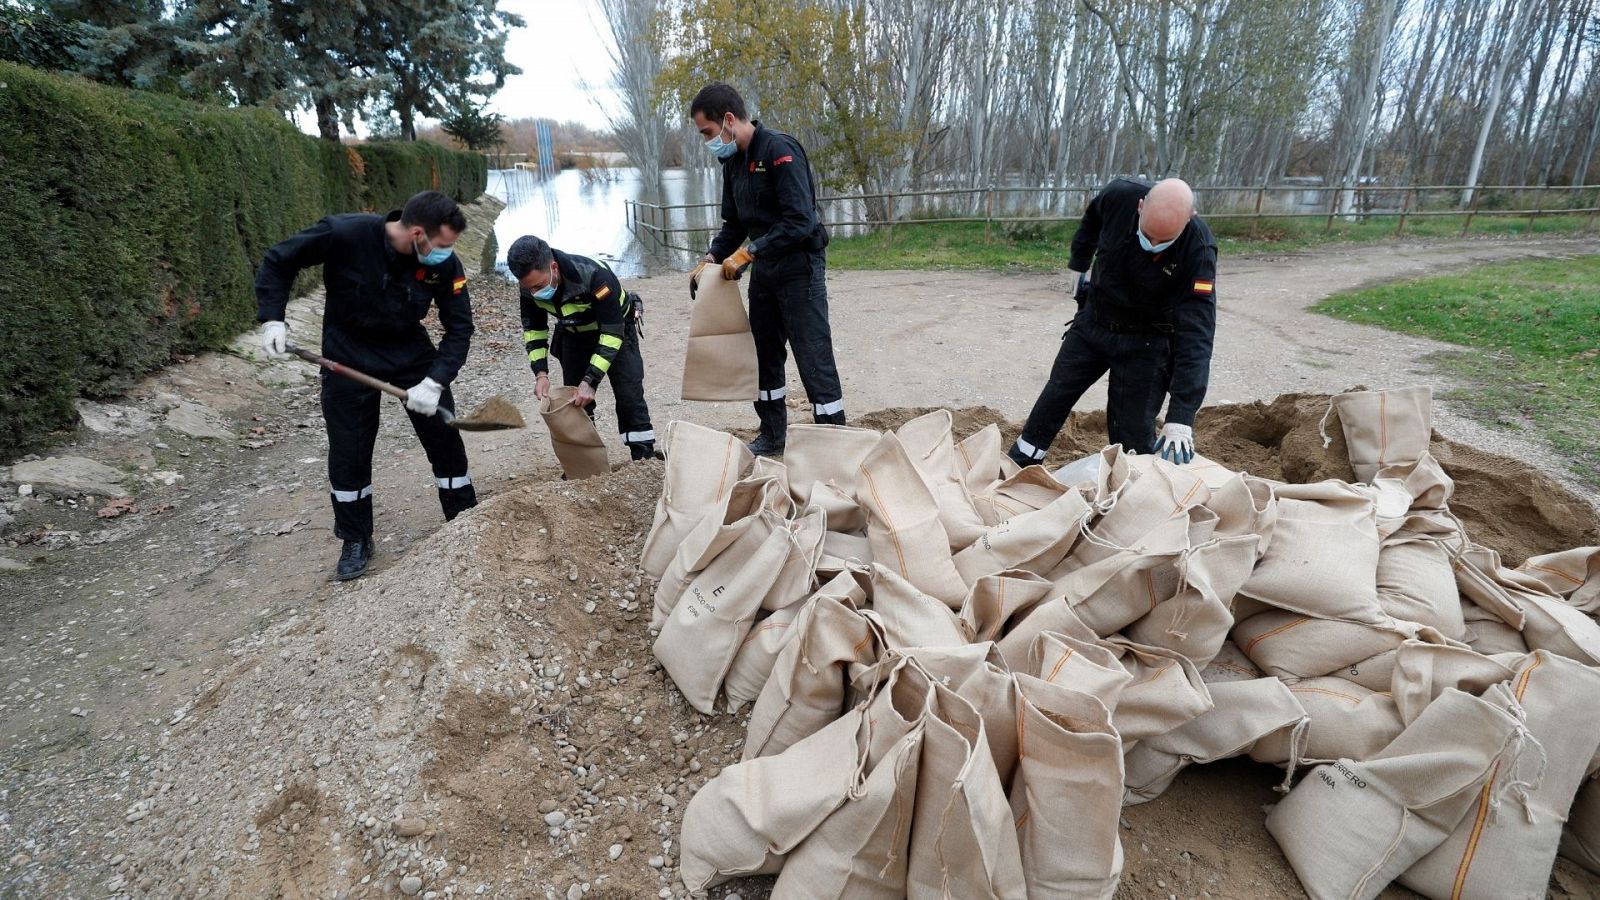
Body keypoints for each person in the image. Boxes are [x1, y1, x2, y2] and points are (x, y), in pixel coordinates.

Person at [256, 190, 478, 581]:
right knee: (350, 451)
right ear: (415, 234)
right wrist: (272, 317)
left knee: (444, 435)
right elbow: (279, 260)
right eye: (442, 244)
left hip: (409, 352)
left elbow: (459, 327)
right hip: (347, 353)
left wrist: (436, 380)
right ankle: (356, 538)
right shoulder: (345, 234)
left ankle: (464, 517)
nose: (447, 253)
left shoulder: (443, 264)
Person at [1007, 177, 1217, 469]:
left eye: (1164, 241)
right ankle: (1021, 461)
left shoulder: (1199, 249)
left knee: (1132, 438)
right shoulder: (1119, 197)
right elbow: (1092, 220)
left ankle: (1130, 493)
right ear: (1140, 206)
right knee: (1055, 397)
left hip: (1146, 342)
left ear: (1188, 220)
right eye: (1149, 235)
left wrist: (1182, 415)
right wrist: (1079, 263)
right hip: (1094, 324)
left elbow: (1197, 334)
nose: (1152, 246)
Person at [688, 82, 846, 457]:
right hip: (764, 272)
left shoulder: (779, 150)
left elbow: (800, 220)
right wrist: (712, 258)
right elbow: (734, 224)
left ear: (728, 120)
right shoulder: (733, 163)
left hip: (799, 269)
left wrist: (749, 253)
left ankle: (836, 441)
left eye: (708, 133)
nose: (708, 141)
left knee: (813, 356)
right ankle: (773, 434)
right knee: (764, 355)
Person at [506, 235, 657, 460]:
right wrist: (540, 373)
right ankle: (586, 464)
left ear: (553, 267)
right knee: (574, 400)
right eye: (529, 288)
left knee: (629, 393)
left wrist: (591, 381)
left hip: (615, 329)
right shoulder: (529, 287)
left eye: (538, 286)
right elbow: (534, 331)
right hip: (574, 333)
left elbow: (611, 335)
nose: (535, 293)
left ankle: (644, 459)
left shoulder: (595, 276)